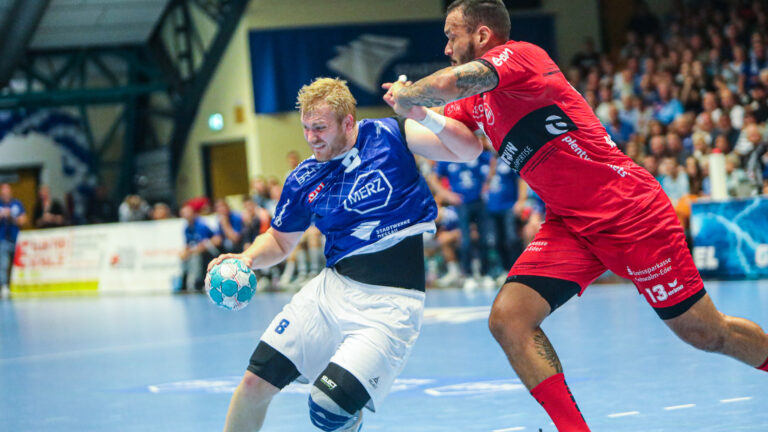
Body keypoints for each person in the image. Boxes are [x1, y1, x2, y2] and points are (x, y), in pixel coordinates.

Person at [388, 1, 768, 430]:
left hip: (629, 212)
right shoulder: (479, 104)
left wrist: (411, 92)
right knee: (509, 319)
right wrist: (395, 124)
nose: (446, 47)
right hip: (570, 224)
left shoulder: (521, 56)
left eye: (450, 35)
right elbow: (452, 136)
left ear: (481, 36)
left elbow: (446, 84)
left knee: (705, 333)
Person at [209, 77, 480, 432]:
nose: (311, 137)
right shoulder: (302, 179)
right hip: (330, 293)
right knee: (253, 385)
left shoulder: (390, 135)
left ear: (348, 122)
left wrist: (423, 114)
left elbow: (469, 151)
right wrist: (245, 258)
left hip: (390, 305)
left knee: (328, 406)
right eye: (306, 128)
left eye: (319, 127)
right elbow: (278, 242)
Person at [0, 183, 26, 297]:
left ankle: (16, 285)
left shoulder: (17, 204)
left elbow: (24, 220)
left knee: (16, 264)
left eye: (7, 191)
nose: (5, 194)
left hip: (16, 238)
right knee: (3, 263)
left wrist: (11, 217)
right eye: (3, 192)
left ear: (10, 192)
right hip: (2, 239)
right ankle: (4, 285)